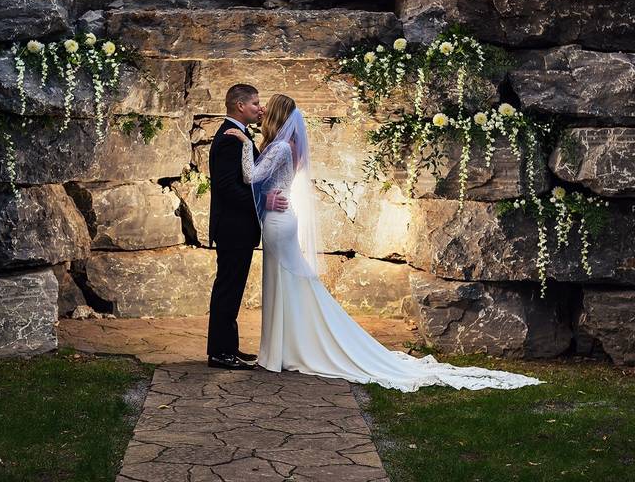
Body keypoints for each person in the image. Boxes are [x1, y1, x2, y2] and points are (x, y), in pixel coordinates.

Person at [223, 93, 545, 392]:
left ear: (275, 115)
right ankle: (282, 348)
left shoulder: (279, 148)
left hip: (279, 224)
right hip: (280, 218)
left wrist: (243, 143)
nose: (261, 110)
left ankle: (286, 349)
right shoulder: (286, 145)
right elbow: (267, 185)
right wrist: (262, 180)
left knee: (287, 281)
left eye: (265, 107)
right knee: (287, 282)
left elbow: (252, 177)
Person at [206, 84, 289, 370]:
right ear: (240, 106)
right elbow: (228, 187)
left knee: (232, 288)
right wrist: (264, 200)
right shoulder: (230, 140)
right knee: (228, 289)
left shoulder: (237, 136)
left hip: (237, 227)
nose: (260, 108)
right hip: (233, 227)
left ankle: (228, 348)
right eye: (255, 103)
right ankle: (220, 354)